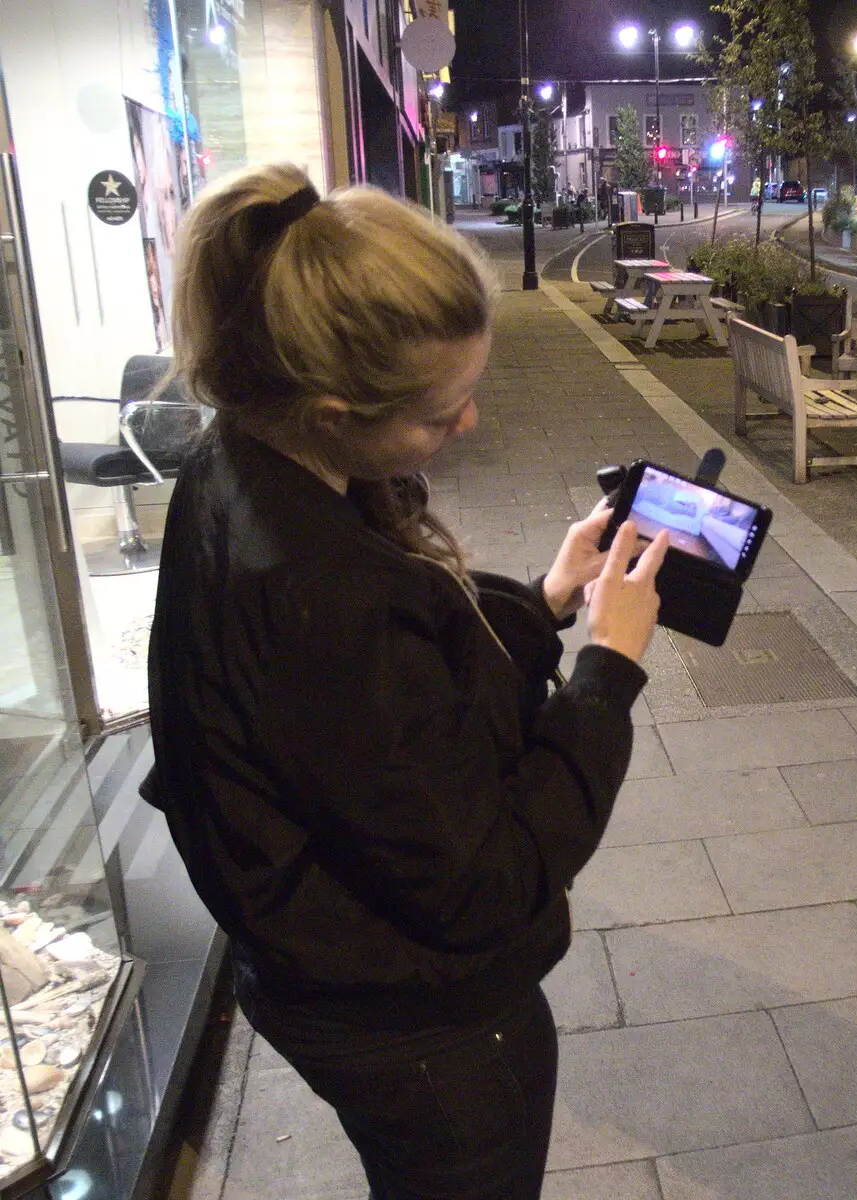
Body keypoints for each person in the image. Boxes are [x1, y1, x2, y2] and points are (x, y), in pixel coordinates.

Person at [140, 162, 670, 1200]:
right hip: (415, 1025)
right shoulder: (318, 591)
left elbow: (396, 721)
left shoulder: (245, 460)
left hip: (328, 978)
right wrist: (606, 673)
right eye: (438, 415)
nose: (465, 427)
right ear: (335, 410)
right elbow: (486, 881)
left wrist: (545, 600)